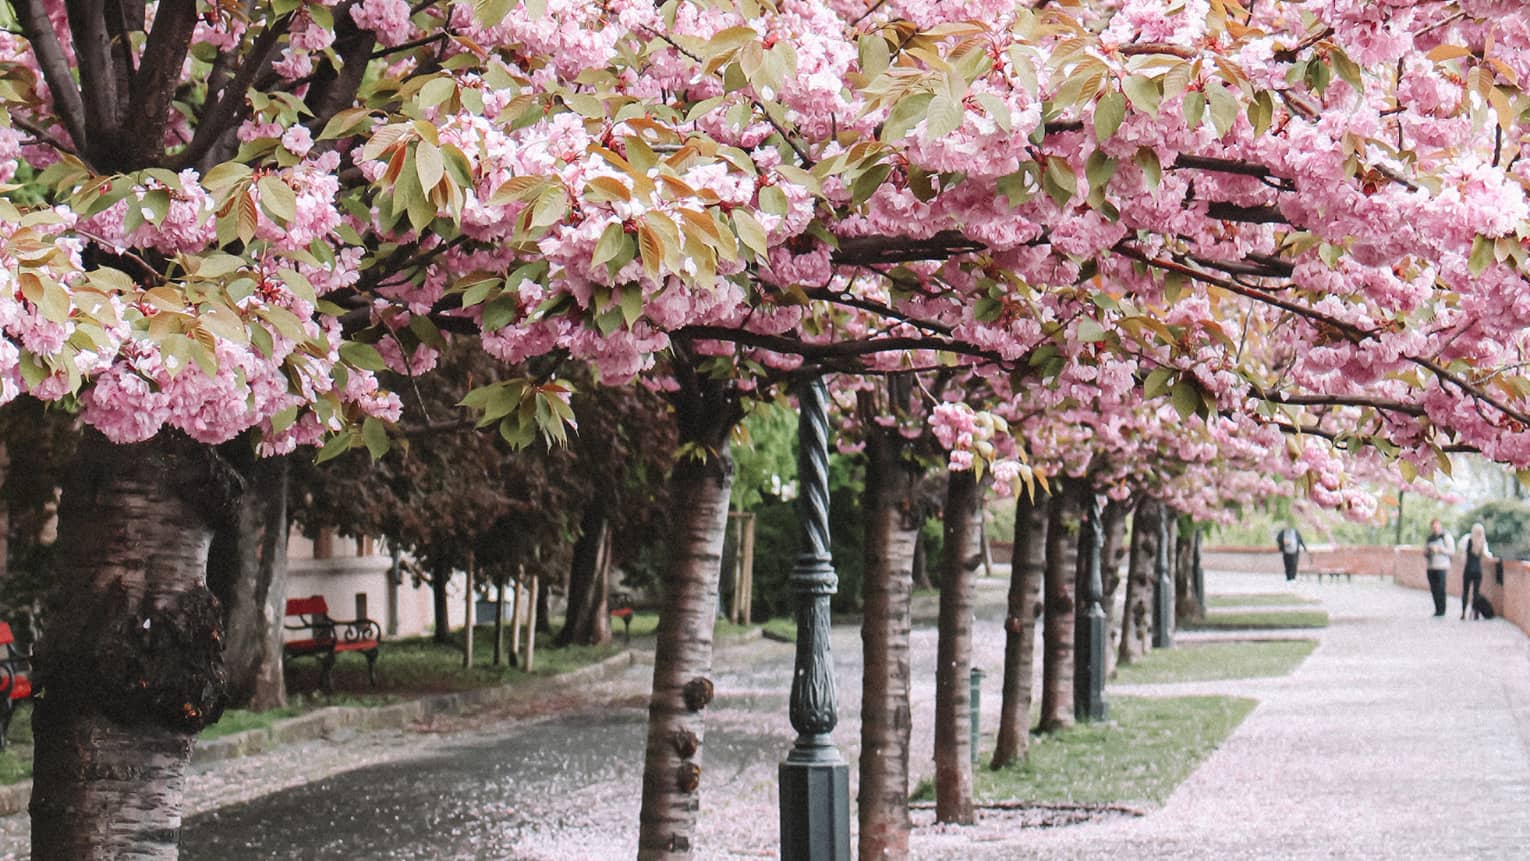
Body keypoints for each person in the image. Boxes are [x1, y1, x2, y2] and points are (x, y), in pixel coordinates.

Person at [1458, 522, 1491, 620]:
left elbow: (1461, 549)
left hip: (1468, 569)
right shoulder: (1482, 543)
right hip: (1478, 570)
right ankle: (1475, 613)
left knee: (1465, 591)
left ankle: (1463, 612)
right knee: (1476, 593)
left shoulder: (1467, 539)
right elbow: (1487, 555)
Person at [1424, 519, 1454, 617]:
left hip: (1442, 566)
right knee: (1434, 589)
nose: (1435, 529)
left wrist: (1440, 549)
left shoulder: (1446, 537)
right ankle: (1437, 609)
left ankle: (1442, 609)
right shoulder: (1430, 538)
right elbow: (1424, 551)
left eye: (1436, 527)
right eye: (1433, 527)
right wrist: (1428, 551)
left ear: (1440, 526)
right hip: (1431, 566)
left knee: (1441, 588)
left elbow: (1451, 551)